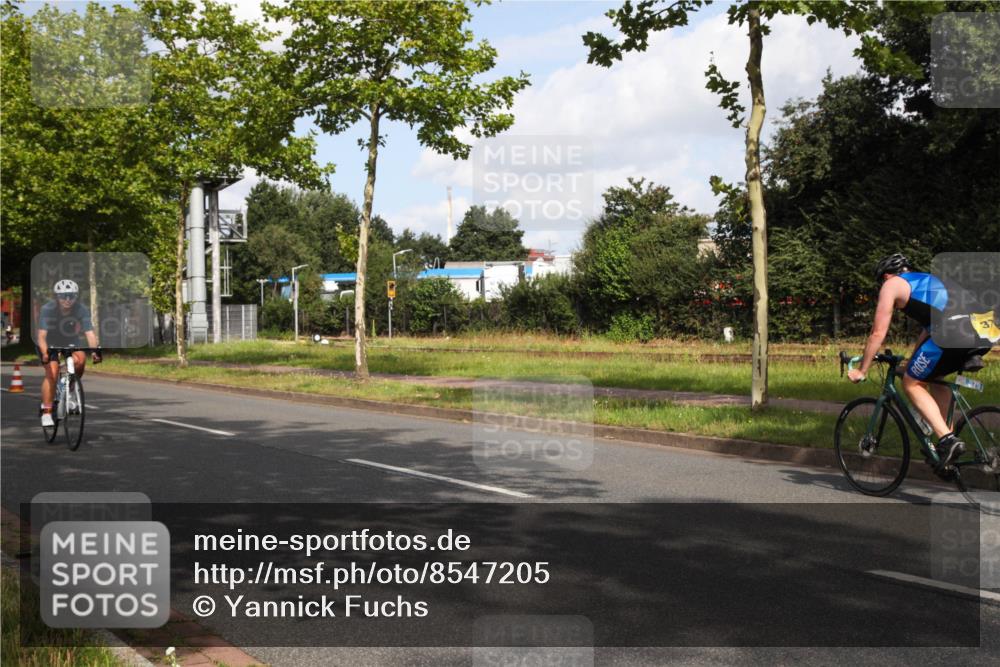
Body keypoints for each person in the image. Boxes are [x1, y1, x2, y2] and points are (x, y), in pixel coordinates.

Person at [848, 254, 992, 470]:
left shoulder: (892, 284)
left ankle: (947, 440)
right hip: (985, 330)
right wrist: (912, 362)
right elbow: (929, 330)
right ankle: (950, 442)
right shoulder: (928, 280)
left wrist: (862, 369)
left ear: (886, 276)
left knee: (910, 383)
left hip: (954, 331)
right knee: (934, 378)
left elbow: (878, 333)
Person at [36, 279, 101, 427]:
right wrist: (45, 353)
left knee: (81, 360)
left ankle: (70, 388)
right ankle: (46, 412)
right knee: (51, 374)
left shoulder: (81, 309)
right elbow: (41, 336)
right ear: (56, 297)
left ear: (76, 296)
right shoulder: (48, 309)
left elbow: (89, 333)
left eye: (71, 296)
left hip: (68, 338)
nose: (67, 299)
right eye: (63, 296)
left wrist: (95, 351)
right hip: (49, 341)